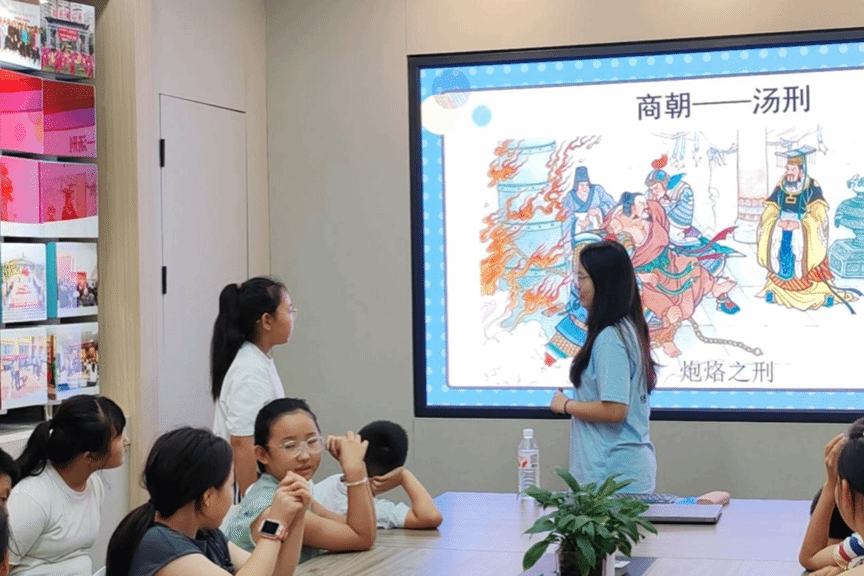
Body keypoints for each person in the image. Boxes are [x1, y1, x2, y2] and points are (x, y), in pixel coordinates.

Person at [106, 427, 307, 576]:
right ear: (208, 497)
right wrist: (274, 525)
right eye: (230, 485)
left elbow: (275, 574)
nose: (232, 494)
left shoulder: (207, 534)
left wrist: (298, 514)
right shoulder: (159, 544)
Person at [548, 240, 657, 493]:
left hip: (612, 477)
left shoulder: (610, 338)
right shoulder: (626, 328)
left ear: (603, 282)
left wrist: (565, 405)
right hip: (617, 472)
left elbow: (615, 409)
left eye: (582, 278)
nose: (577, 285)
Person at [226, 399, 376, 561]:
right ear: (262, 454)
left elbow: (360, 528)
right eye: (290, 445)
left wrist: (358, 466)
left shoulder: (290, 489)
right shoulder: (278, 505)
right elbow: (362, 537)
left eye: (312, 441)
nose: (304, 456)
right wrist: (354, 469)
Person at [7, 395, 127, 576]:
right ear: (89, 456)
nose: (126, 441)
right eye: (118, 437)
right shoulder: (33, 498)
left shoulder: (94, 485)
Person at [211, 277, 295, 497]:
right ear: (267, 320)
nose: (293, 317)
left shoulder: (258, 360)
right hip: (244, 494)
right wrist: (253, 506)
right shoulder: (249, 370)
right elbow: (241, 443)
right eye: (289, 310)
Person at [757, 149, 856, 311]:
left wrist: (800, 225)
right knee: (778, 249)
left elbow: (818, 212)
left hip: (802, 229)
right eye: (787, 169)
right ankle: (776, 289)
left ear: (801, 171)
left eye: (793, 169)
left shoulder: (811, 186)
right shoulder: (781, 185)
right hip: (781, 226)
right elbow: (771, 206)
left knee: (807, 252)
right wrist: (775, 222)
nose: (789, 173)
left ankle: (820, 294)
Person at [314, 420, 443, 529]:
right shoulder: (373, 511)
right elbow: (431, 517)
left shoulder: (329, 483)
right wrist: (404, 476)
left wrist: (349, 456)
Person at [799, 420, 864, 575]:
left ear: (844, 493)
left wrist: (831, 483)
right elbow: (810, 558)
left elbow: (810, 558)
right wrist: (849, 567)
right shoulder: (858, 544)